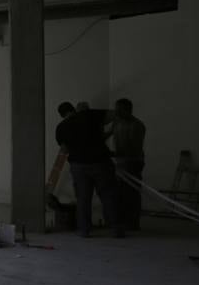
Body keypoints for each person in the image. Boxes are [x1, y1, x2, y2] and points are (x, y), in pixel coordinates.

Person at [55, 100, 122, 238]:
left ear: (62, 115)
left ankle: (84, 230)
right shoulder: (90, 115)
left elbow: (65, 148)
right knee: (108, 196)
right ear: (74, 109)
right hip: (101, 163)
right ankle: (115, 229)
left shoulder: (61, 127)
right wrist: (109, 131)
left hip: (78, 166)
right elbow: (116, 114)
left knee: (83, 199)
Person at [106, 97, 147, 230]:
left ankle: (133, 223)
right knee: (120, 193)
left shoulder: (136, 125)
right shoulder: (117, 122)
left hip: (133, 163)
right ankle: (123, 221)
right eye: (115, 109)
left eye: (119, 109)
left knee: (132, 193)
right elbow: (107, 134)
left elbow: (133, 149)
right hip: (121, 162)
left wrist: (113, 154)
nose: (116, 112)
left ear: (127, 110)